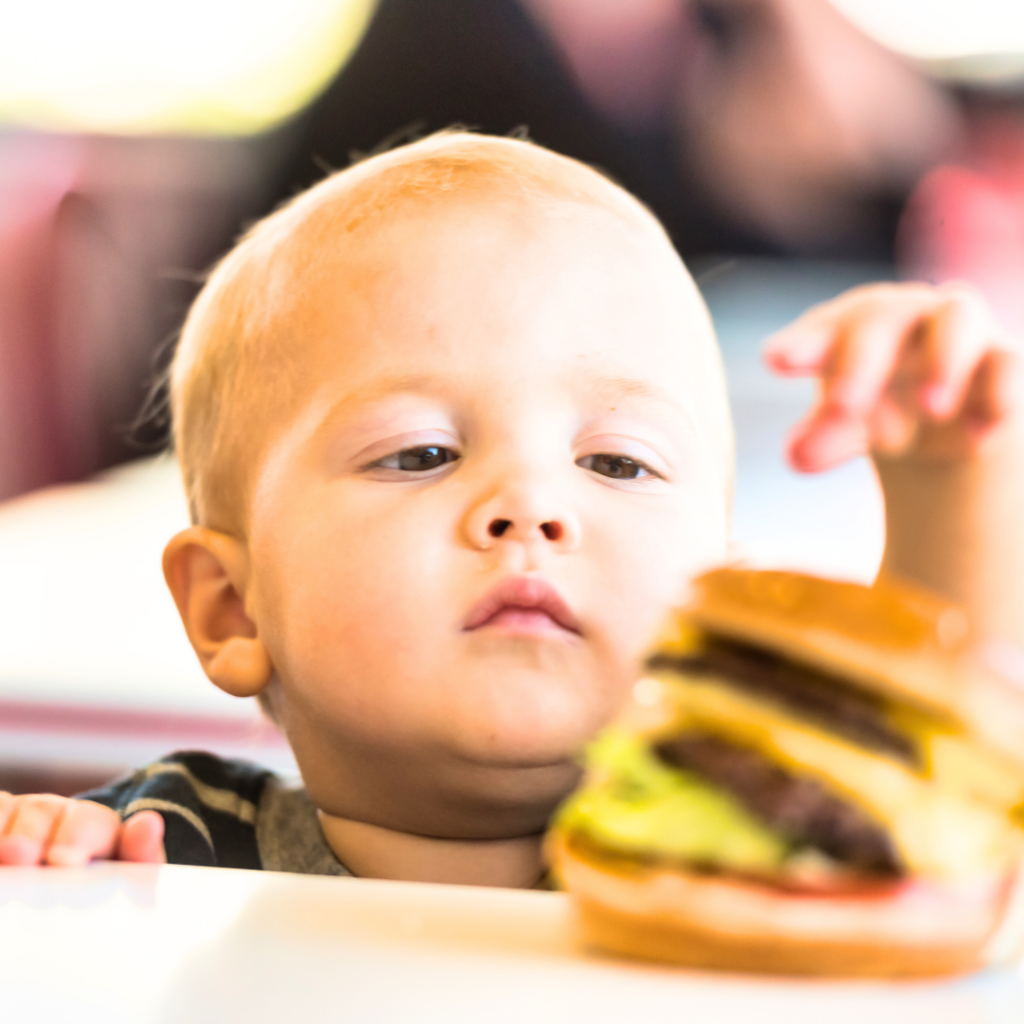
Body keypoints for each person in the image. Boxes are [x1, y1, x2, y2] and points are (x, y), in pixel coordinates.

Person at [0, 133, 1021, 883]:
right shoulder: (168, 841)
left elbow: (934, 772)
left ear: (716, 608)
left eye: (616, 464)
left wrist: (946, 478)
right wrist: (41, 860)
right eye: (422, 453)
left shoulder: (736, 842)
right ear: (231, 606)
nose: (528, 505)